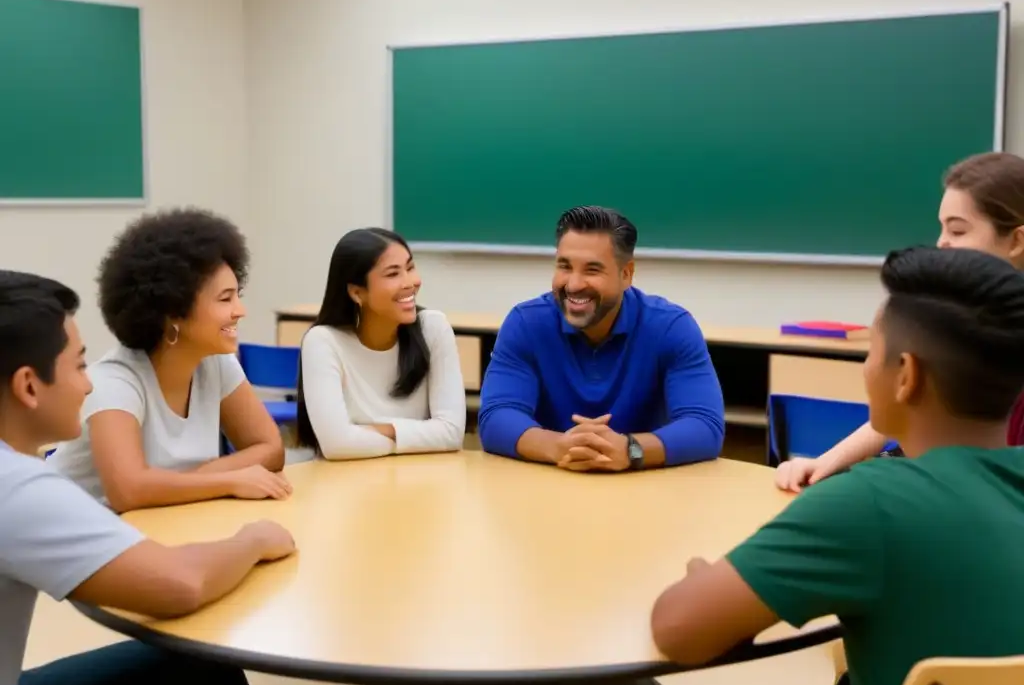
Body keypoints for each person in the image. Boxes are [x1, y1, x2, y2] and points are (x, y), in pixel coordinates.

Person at [651, 245, 1024, 685]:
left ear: (906, 376)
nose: (865, 368)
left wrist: (699, 576)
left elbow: (678, 630)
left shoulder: (872, 503)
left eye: (872, 352)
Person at [0, 269, 297, 685]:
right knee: (202, 665)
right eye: (80, 365)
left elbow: (267, 446)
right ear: (29, 385)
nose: (87, 384)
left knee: (197, 666)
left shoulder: (216, 364)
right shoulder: (19, 487)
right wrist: (253, 540)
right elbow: (180, 586)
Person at [776, 151, 1024, 493]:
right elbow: (908, 407)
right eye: (942, 228)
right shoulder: (956, 318)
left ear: (1017, 241)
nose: (942, 243)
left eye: (958, 230)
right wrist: (829, 460)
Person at [47, 208, 290, 512]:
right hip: (76, 537)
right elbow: (130, 491)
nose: (240, 311)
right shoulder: (113, 383)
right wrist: (229, 480)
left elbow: (270, 449)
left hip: (160, 524)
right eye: (225, 299)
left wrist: (177, 483)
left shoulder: (215, 362)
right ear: (174, 311)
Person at [478, 205, 725, 472]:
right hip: (548, 482)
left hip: (645, 488)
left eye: (592, 270)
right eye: (565, 266)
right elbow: (495, 418)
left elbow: (704, 426)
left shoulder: (671, 327)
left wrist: (630, 450)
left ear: (626, 274)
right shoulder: (525, 323)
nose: (573, 284)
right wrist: (558, 446)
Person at [297, 228, 465, 459]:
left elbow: (452, 433)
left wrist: (371, 434)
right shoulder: (323, 342)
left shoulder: (433, 328)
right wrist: (419, 439)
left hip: (420, 481)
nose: (410, 283)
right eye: (393, 274)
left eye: (410, 267)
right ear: (357, 292)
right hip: (345, 485)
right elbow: (336, 445)